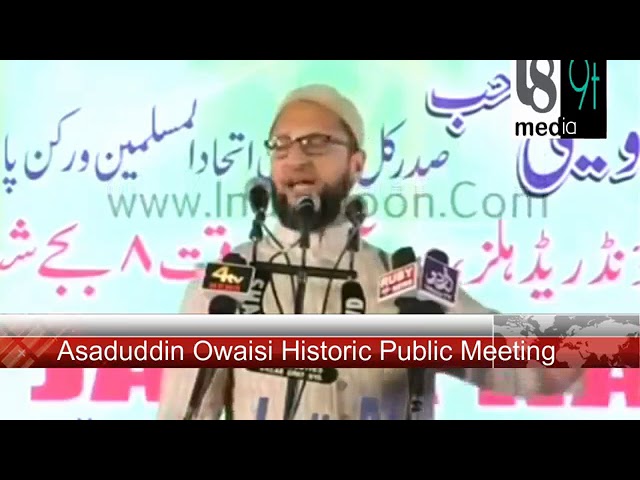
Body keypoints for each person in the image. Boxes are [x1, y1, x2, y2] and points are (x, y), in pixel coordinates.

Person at [157, 84, 583, 420]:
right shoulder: (221, 284)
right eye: (281, 145)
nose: (295, 159)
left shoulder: (409, 282)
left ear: (356, 165)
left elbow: (534, 369)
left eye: (316, 142)